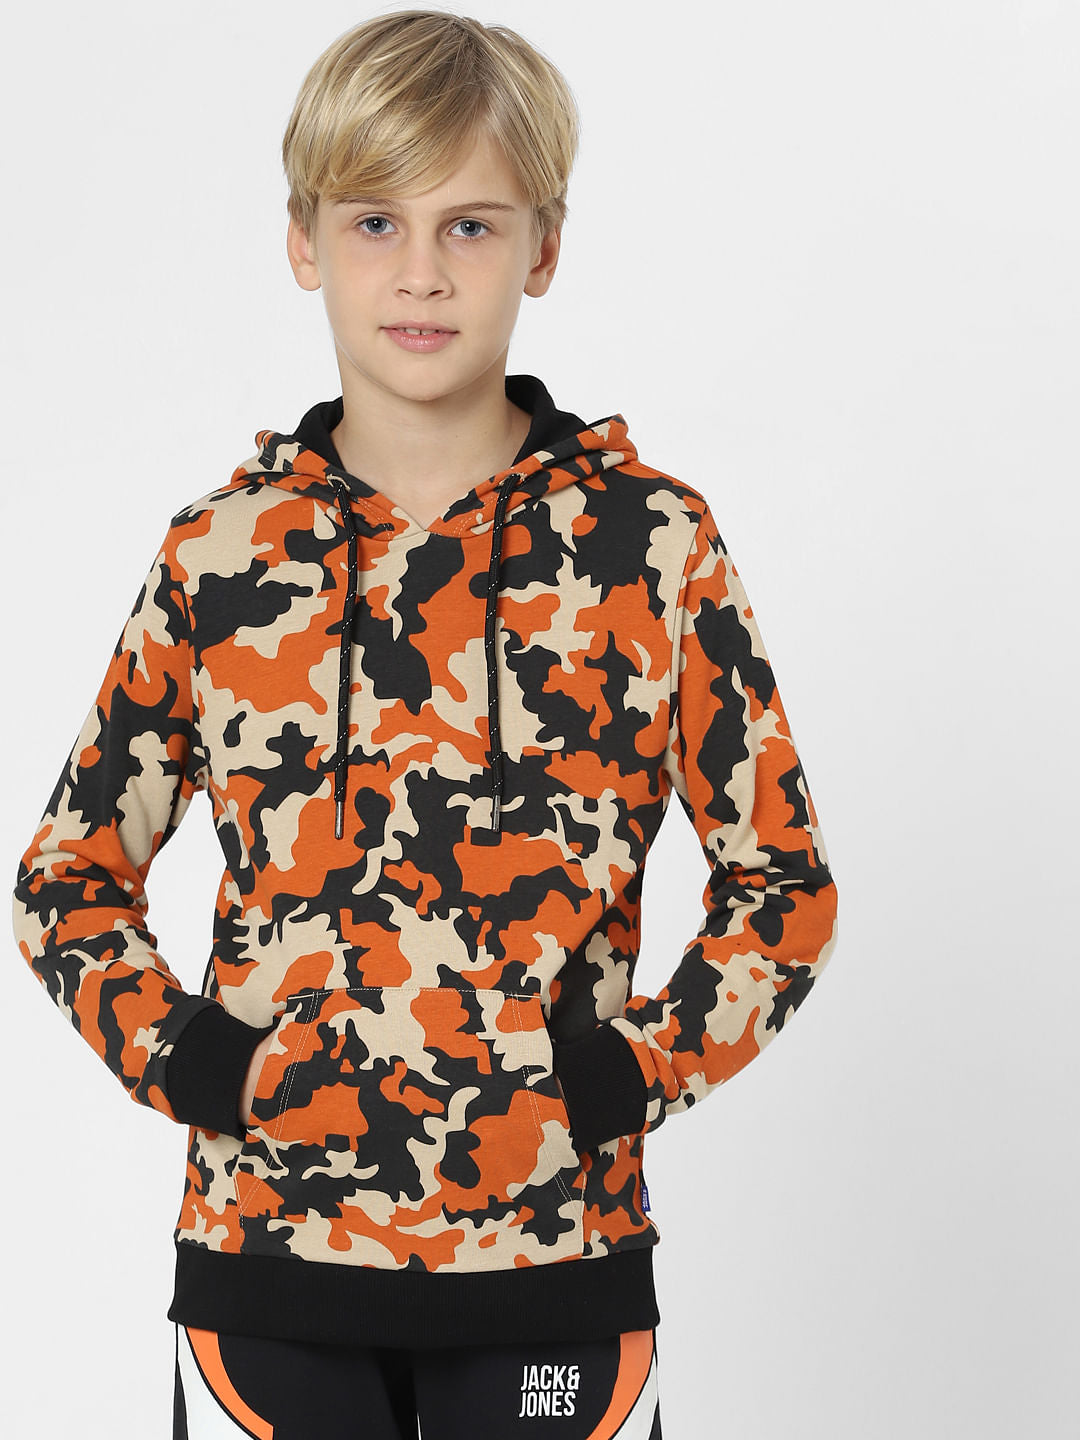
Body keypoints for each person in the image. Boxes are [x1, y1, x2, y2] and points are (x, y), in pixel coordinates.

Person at [12, 10, 839, 1437]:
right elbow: (66, 877)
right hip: (268, 1272)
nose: (419, 272)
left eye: (470, 225)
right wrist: (200, 1063)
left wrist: (626, 1074)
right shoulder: (222, 556)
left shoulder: (650, 548)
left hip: (558, 1269)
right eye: (374, 221)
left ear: (544, 247)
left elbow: (785, 885)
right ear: (302, 242)